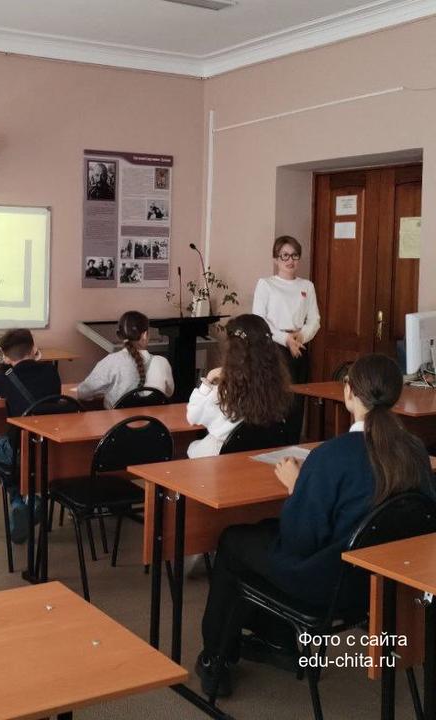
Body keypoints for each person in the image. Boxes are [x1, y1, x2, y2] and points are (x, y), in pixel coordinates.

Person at [194, 354, 435, 697]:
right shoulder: (415, 451)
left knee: (234, 541)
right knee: (263, 529)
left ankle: (216, 658)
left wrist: (297, 487)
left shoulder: (332, 456)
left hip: (330, 585)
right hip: (385, 584)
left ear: (348, 392)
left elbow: (299, 540)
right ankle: (276, 638)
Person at [0, 328, 61, 543]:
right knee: (21, 460)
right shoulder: (51, 371)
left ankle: (20, 500)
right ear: (33, 349)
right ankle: (29, 500)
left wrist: (4, 365)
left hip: (19, 448)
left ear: (6, 356)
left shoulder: (6, 377)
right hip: (50, 448)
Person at [186, 314, 291, 458]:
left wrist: (208, 379)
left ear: (233, 350)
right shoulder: (278, 389)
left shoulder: (223, 391)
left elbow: (192, 417)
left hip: (221, 459)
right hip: (261, 458)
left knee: (191, 448)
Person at [252, 236, 320, 442]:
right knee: (274, 399)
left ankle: (292, 444)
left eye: (295, 256)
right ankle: (271, 446)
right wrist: (285, 339)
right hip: (274, 348)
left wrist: (301, 336)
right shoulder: (266, 284)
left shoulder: (307, 286)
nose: (290, 260)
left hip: (299, 346)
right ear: (276, 259)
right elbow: (259, 320)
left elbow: (315, 320)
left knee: (296, 402)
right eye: (285, 256)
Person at [76, 311, 174, 409]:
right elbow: (169, 393)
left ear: (119, 335)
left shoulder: (111, 361)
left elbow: (83, 393)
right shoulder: (162, 362)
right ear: (145, 335)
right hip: (155, 419)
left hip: (119, 419)